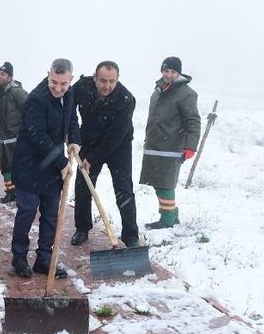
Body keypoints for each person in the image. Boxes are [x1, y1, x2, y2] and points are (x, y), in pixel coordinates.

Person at [10, 59, 80, 278]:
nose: (58, 89)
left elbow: (72, 121)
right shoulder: (36, 99)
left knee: (51, 214)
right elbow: (36, 136)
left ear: (71, 80)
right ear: (48, 74)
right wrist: (61, 163)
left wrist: (75, 141)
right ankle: (19, 257)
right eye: (54, 82)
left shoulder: (69, 95)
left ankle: (44, 258)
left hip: (52, 165)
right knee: (27, 211)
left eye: (63, 84)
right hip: (29, 164)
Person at [71, 61, 140, 247]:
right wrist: (72, 133)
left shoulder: (126, 99)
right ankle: (82, 228)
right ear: (95, 77)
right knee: (83, 184)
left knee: (124, 188)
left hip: (119, 146)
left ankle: (131, 235)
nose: (106, 86)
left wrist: (92, 159)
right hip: (89, 140)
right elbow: (67, 105)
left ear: (118, 79)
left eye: (112, 81)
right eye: (102, 80)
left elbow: (116, 135)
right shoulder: (82, 87)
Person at [138, 57, 201, 229]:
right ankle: (172, 215)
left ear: (178, 73)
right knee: (158, 183)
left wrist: (190, 146)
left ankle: (167, 219)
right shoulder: (158, 90)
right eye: (166, 71)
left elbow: (193, 121)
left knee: (165, 184)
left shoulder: (186, 93)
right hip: (154, 145)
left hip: (171, 147)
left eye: (173, 72)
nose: (169, 75)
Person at [0, 62, 28, 203]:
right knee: (5, 165)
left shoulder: (16, 91)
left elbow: (29, 109)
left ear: (10, 77)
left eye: (3, 74)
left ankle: (22, 193)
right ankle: (10, 192)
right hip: (4, 136)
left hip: (16, 136)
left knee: (18, 166)